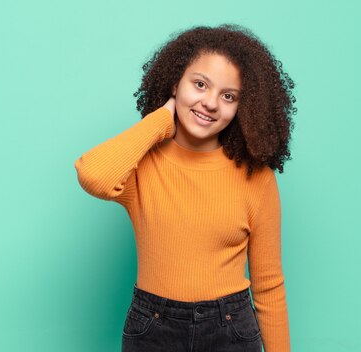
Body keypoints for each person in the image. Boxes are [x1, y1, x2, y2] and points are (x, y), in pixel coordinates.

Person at [74, 24, 296, 352]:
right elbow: (93, 175)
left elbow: (269, 287)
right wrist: (161, 120)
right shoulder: (143, 165)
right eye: (200, 84)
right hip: (154, 327)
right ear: (175, 82)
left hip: (231, 329)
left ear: (242, 109)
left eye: (228, 96)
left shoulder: (256, 177)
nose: (210, 103)